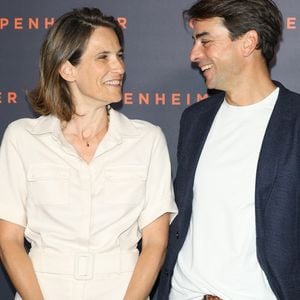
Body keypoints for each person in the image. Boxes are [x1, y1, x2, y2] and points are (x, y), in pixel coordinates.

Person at [0, 7, 177, 300]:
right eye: (103, 57)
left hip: (123, 288)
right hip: (42, 287)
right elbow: (8, 240)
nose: (119, 67)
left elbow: (156, 243)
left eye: (119, 55)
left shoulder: (146, 139)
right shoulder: (22, 138)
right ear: (67, 69)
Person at [157, 0, 300, 299]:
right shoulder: (196, 119)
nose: (194, 55)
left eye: (206, 41)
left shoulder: (295, 120)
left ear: (248, 42)